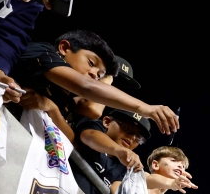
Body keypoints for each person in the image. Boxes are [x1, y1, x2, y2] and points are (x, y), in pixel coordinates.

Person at [10, 30, 179, 137]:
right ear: (64, 48)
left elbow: (73, 142)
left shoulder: (66, 98)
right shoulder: (44, 51)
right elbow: (86, 87)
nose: (93, 74)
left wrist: (51, 108)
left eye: (100, 75)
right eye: (91, 63)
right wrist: (146, 108)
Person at [70, 108, 151, 194]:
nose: (132, 137)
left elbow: (114, 192)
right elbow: (89, 136)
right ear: (107, 122)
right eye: (127, 128)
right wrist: (117, 150)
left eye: (138, 138)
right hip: (55, 188)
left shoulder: (125, 164)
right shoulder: (96, 127)